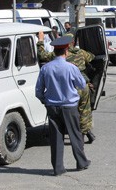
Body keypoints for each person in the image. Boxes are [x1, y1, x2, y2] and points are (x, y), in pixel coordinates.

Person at [35, 36, 91, 176]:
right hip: (69, 106)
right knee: (75, 135)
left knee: (56, 138)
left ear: (54, 51)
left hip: (52, 107)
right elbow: (82, 85)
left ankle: (58, 168)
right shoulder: (71, 68)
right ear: (66, 51)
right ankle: (81, 163)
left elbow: (38, 91)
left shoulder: (45, 68)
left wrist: (45, 101)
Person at [37, 31, 96, 144]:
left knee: (68, 112)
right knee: (84, 112)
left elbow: (42, 55)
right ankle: (83, 137)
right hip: (82, 86)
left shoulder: (56, 55)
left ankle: (66, 133)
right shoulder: (81, 53)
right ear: (73, 42)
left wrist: (40, 41)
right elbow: (93, 57)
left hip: (67, 88)